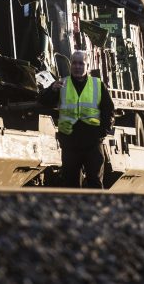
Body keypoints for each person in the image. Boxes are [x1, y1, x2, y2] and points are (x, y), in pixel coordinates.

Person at [39, 50, 114, 188]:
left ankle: (95, 208)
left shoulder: (97, 85)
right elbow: (44, 101)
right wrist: (52, 90)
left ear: (87, 66)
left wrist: (102, 133)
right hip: (70, 142)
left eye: (81, 63)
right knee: (71, 183)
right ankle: (74, 209)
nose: (77, 66)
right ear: (70, 65)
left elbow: (108, 110)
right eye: (74, 63)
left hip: (92, 142)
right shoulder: (62, 84)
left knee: (95, 182)